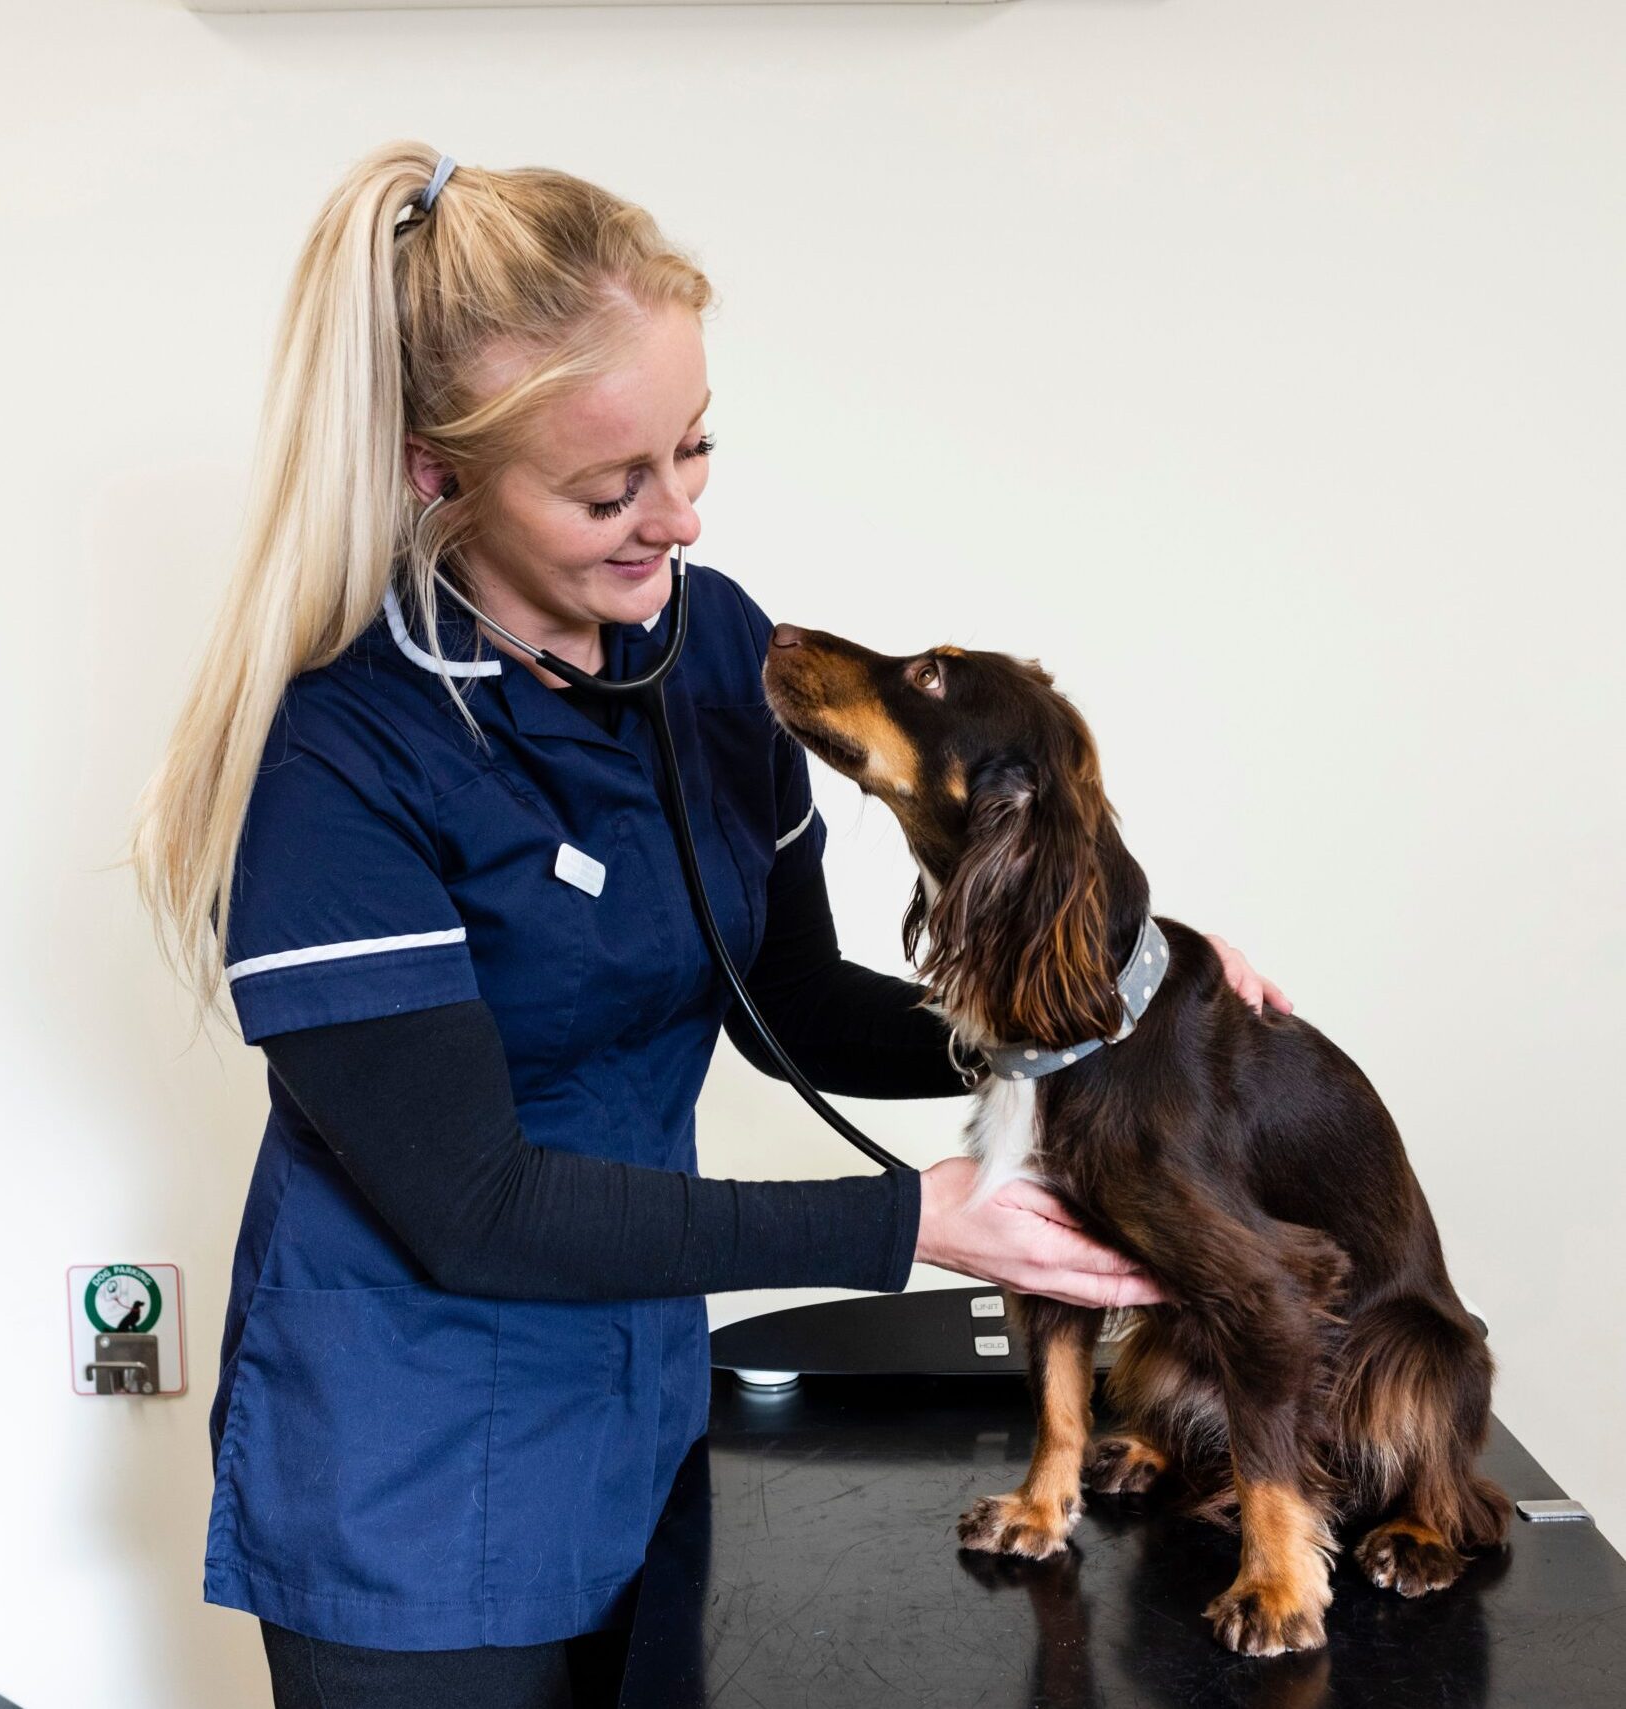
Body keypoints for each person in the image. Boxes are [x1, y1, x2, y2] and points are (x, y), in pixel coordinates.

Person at [133, 143, 1291, 1709]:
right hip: (402, 1460)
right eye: (609, 488)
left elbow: (791, 997)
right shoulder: (342, 764)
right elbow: (470, 1204)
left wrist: (1112, 1011)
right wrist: (908, 1225)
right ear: (435, 472)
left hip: (634, 1402)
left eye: (693, 452)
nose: (672, 519)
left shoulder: (707, 647)